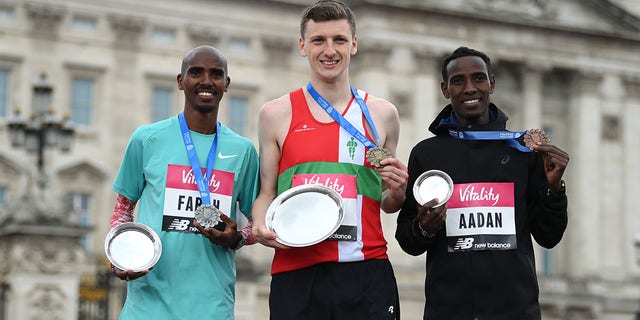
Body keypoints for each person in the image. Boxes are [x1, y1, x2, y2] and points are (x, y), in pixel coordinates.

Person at [251, 1, 408, 319]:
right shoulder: (275, 113)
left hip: (366, 271)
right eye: (318, 40)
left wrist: (400, 190)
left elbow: (388, 201)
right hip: (297, 272)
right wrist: (260, 226)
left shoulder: (384, 114)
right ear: (302, 46)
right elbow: (266, 193)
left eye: (338, 39)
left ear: (354, 44)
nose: (329, 50)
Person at [395, 46, 570, 320]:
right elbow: (407, 240)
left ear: (492, 84)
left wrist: (553, 188)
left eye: (478, 78)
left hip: (515, 309)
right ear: (445, 89)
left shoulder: (521, 152)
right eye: (458, 81)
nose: (469, 88)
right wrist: (424, 228)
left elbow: (549, 236)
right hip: (448, 310)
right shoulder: (426, 154)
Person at [108, 45, 259, 319]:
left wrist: (236, 239)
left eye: (215, 74)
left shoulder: (243, 150)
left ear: (226, 83)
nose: (206, 81)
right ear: (181, 81)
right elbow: (122, 209)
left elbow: (258, 223)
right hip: (148, 305)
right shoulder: (147, 139)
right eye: (196, 72)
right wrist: (119, 257)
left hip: (212, 306)